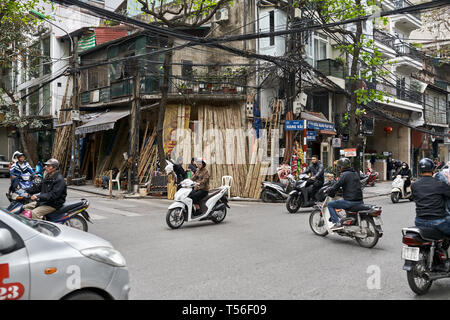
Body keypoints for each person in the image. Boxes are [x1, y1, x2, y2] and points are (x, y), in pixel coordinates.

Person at [412, 158, 450, 239]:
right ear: (433, 169)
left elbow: (415, 198)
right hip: (439, 222)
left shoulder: (414, 185)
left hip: (419, 221)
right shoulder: (440, 183)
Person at [325, 157, 364, 231]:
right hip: (360, 200)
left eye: (339, 167)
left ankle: (337, 223)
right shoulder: (355, 173)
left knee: (330, 204)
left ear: (341, 167)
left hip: (350, 201)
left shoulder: (344, 175)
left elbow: (336, 186)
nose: (339, 168)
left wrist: (328, 190)